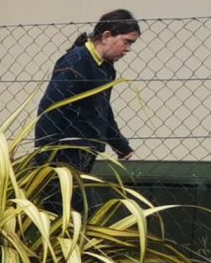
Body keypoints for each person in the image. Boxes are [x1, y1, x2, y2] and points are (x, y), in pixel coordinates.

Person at [34, 10, 140, 194]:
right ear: (106, 36)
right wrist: (44, 156)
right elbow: (50, 107)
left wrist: (121, 146)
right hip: (64, 154)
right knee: (80, 206)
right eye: (126, 41)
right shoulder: (77, 61)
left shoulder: (106, 67)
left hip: (86, 152)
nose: (128, 49)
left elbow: (102, 110)